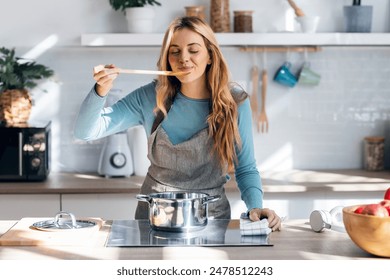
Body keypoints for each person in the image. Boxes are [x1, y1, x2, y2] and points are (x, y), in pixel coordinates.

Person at [74, 16, 281, 231]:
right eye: (175, 51)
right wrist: (101, 90)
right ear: (167, 58)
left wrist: (256, 207)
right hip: (154, 220)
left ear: (210, 55)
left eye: (193, 50)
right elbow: (85, 132)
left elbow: (245, 168)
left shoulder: (234, 102)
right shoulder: (149, 97)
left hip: (211, 220)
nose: (184, 58)